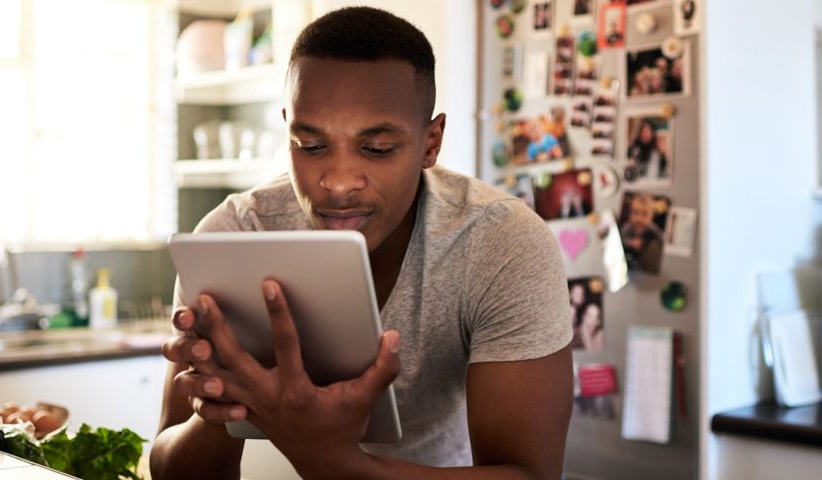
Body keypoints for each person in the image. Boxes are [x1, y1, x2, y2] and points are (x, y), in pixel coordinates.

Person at [151, 7, 573, 480]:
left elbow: (528, 473)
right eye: (310, 146)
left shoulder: (502, 244)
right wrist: (223, 408)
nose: (338, 183)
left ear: (430, 142)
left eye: (376, 148)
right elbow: (167, 465)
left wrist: (333, 462)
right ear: (287, 130)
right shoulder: (233, 235)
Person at [620, 194, 663, 273]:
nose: (639, 218)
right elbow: (620, 240)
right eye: (635, 213)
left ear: (651, 216)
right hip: (628, 252)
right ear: (630, 214)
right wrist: (631, 242)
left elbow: (661, 238)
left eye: (644, 214)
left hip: (643, 254)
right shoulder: (628, 226)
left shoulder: (652, 227)